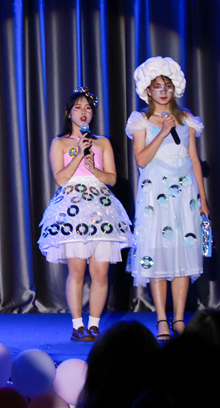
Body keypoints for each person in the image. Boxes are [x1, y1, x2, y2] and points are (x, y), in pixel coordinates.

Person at [38, 87, 134, 342]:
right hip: (72, 210)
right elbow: (60, 179)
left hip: (101, 209)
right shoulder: (59, 143)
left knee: (100, 272)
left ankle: (94, 325)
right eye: (78, 108)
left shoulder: (102, 143)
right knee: (77, 271)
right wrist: (79, 154)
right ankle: (77, 325)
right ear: (68, 113)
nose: (83, 113)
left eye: (88, 108)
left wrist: (93, 168)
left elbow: (111, 179)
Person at [125, 56, 208, 341]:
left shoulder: (186, 118)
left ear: (175, 89)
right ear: (148, 90)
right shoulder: (140, 120)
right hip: (155, 193)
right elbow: (141, 159)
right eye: (157, 86)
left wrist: (204, 201)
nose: (163, 91)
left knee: (184, 254)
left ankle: (180, 319)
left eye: (168, 86)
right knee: (157, 253)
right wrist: (162, 132)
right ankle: (162, 320)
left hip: (184, 193)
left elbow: (194, 160)